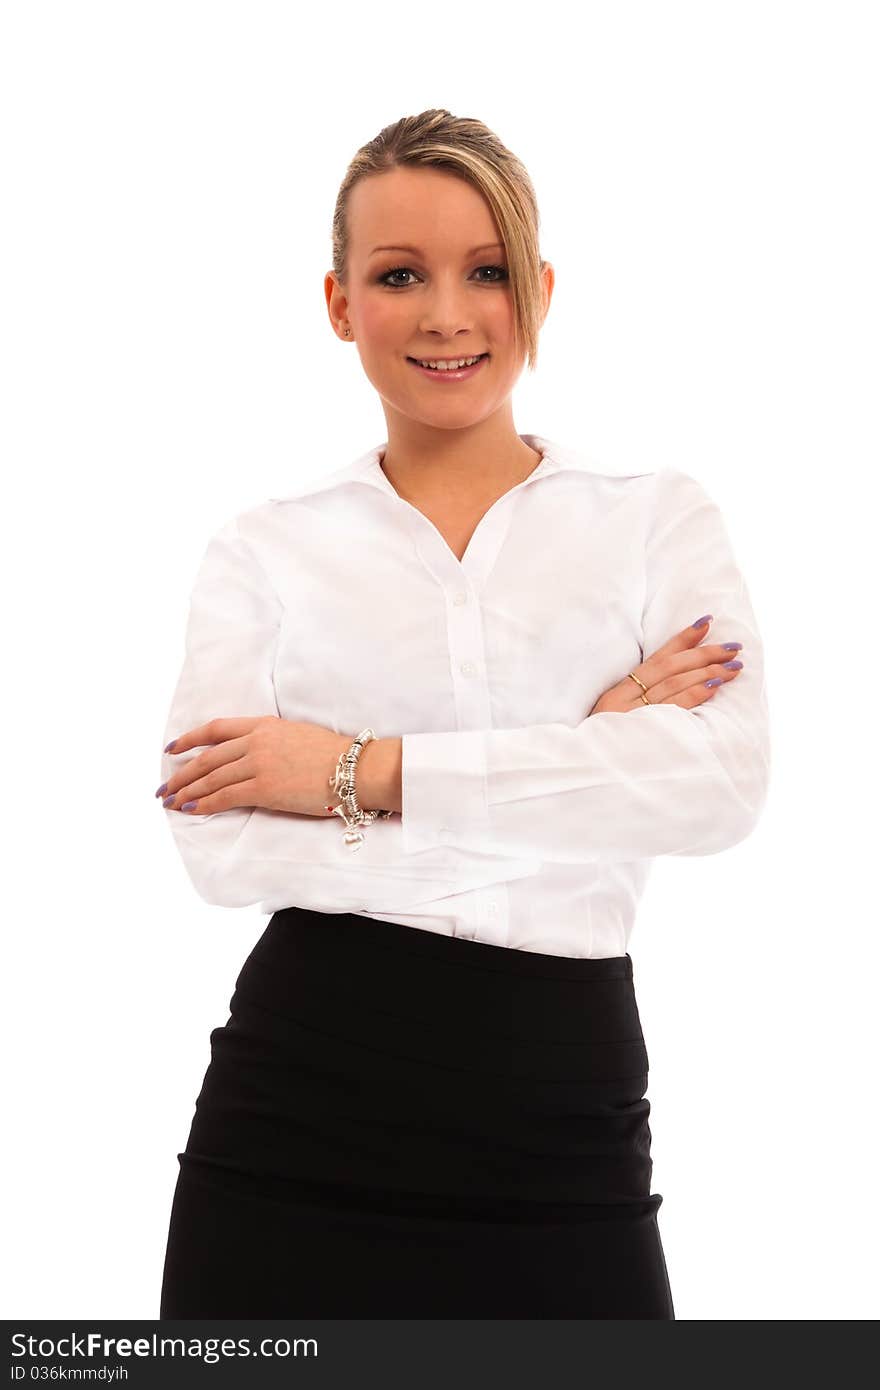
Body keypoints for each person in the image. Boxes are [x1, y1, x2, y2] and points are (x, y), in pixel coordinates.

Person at [156, 108, 770, 1319]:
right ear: (339, 303)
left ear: (537, 290)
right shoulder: (264, 550)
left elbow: (718, 789)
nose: (448, 313)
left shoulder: (653, 518)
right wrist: (584, 761)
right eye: (400, 275)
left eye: (486, 272)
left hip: (568, 1108)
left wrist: (357, 771)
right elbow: (217, 844)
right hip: (295, 1111)